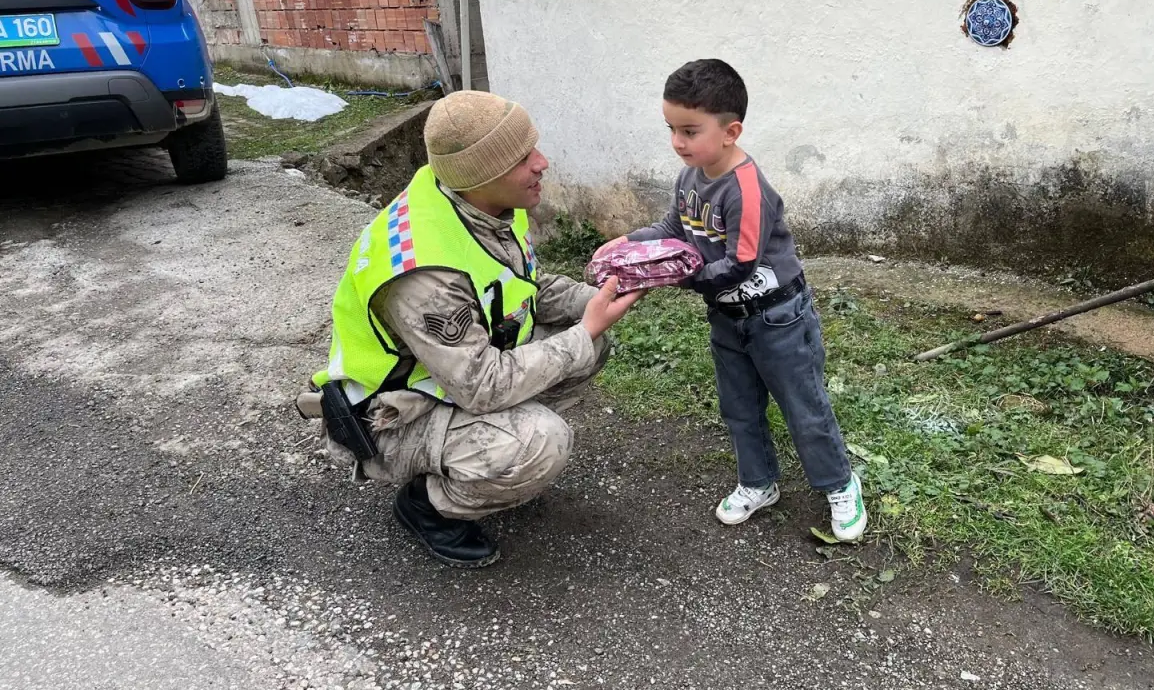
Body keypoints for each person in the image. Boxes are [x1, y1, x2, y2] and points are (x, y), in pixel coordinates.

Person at [304, 90, 642, 568]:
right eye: (525, 158)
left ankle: (493, 462)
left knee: (590, 342)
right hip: (389, 414)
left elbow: (520, 285)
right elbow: (484, 385)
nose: (542, 163)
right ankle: (427, 504)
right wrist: (580, 333)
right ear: (484, 172)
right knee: (542, 440)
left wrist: (600, 299)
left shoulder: (482, 202)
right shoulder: (424, 272)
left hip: (448, 379)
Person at [602, 59, 867, 542]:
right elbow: (673, 230)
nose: (677, 142)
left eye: (689, 130)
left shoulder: (746, 189)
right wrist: (629, 244)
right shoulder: (691, 177)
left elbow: (740, 264)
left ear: (731, 131)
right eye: (671, 129)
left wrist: (671, 276)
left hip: (778, 318)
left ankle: (839, 484)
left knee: (804, 408)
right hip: (727, 317)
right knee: (739, 406)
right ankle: (758, 482)